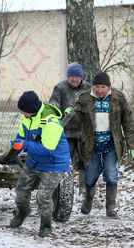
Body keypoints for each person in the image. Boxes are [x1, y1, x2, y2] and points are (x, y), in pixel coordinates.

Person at [9, 90, 71, 237]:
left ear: (32, 109)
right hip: (34, 161)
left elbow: (47, 149)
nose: (22, 113)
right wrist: (14, 150)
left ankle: (45, 227)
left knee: (43, 197)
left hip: (53, 164)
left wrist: (24, 145)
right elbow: (21, 136)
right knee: (21, 192)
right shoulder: (26, 117)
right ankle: (23, 213)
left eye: (24, 111)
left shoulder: (51, 120)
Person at [72, 72, 134, 217]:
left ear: (108, 87)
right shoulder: (84, 98)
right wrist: (70, 113)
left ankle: (110, 208)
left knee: (112, 175)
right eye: (97, 87)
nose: (100, 90)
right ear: (93, 86)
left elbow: (128, 122)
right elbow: (75, 121)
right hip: (91, 145)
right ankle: (87, 201)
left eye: (103, 87)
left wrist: (131, 145)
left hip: (112, 145)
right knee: (90, 177)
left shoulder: (118, 98)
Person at [49, 62, 90, 195]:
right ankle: (61, 188)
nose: (74, 79)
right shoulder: (60, 88)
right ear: (67, 77)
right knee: (64, 161)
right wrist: (59, 110)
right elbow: (53, 103)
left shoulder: (88, 88)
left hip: (83, 131)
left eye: (77, 76)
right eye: (72, 76)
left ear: (81, 77)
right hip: (66, 132)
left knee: (85, 160)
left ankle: (84, 187)